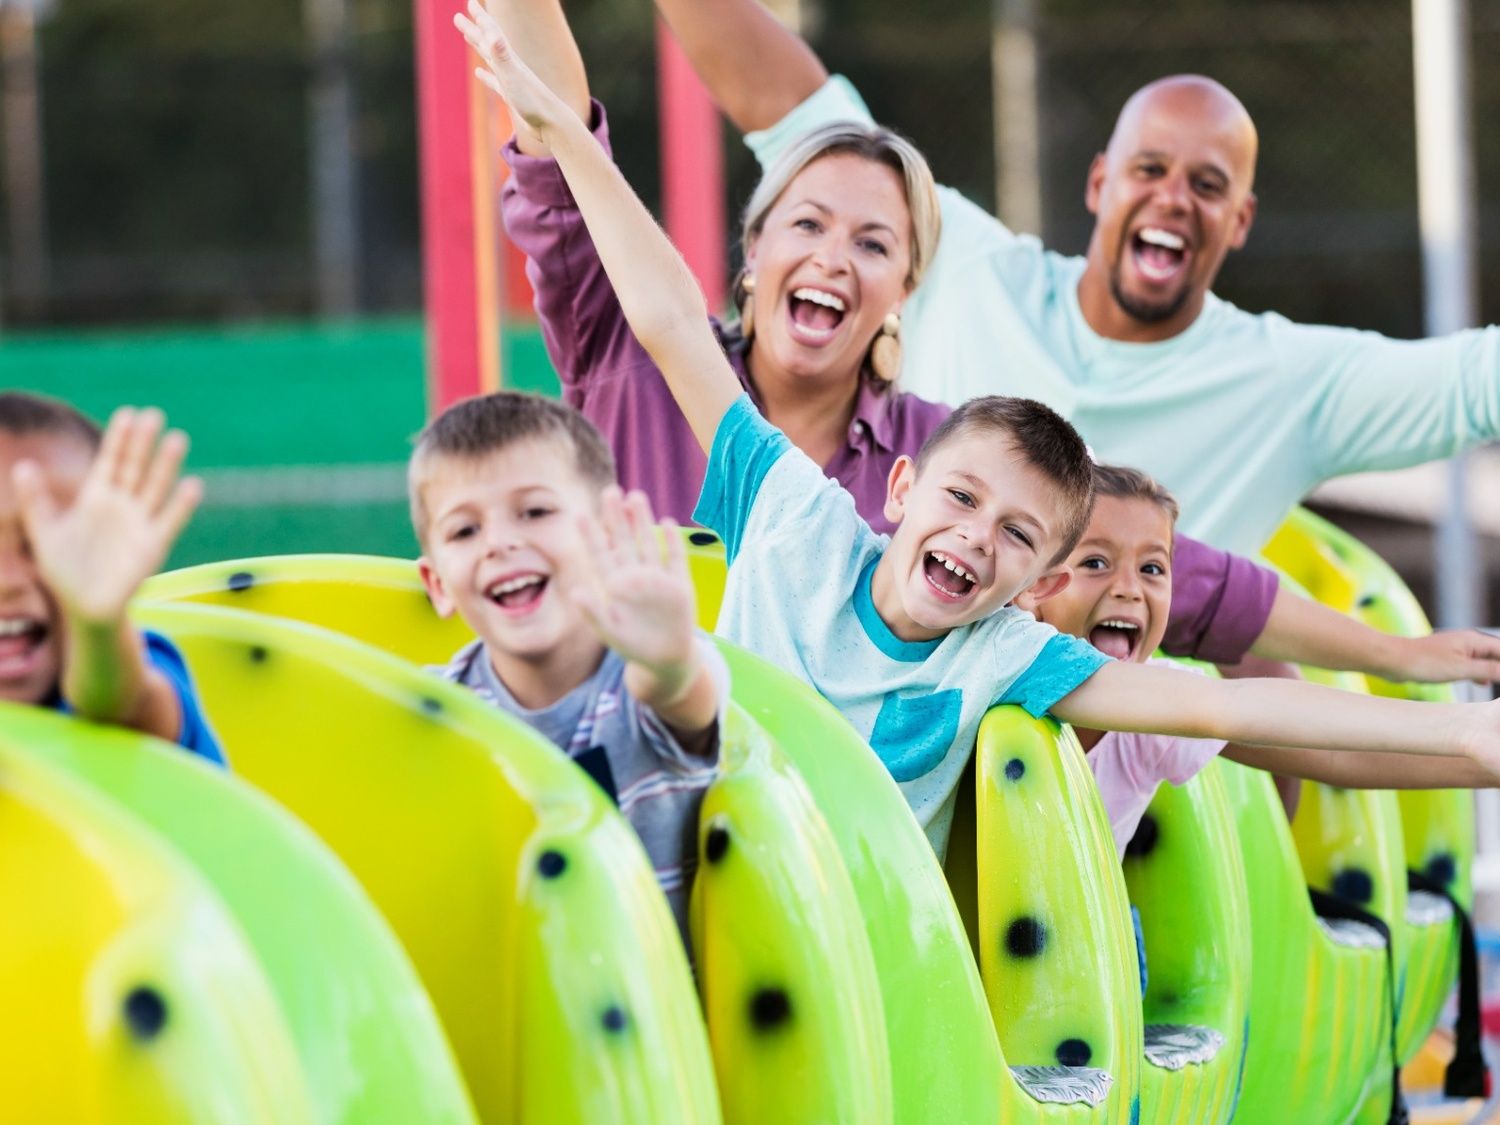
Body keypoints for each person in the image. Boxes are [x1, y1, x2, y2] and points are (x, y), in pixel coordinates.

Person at [456, 9, 1500, 860]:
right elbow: (667, 316)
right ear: (901, 490)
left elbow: (1257, 701)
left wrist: (1460, 725)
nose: (975, 539)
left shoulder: (1003, 652)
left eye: (1015, 537)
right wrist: (552, 129)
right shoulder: (794, 517)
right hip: (669, 846)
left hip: (852, 969)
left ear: (1045, 575)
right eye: (962, 504)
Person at [651, 0, 1500, 560]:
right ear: (1100, 184)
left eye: (1207, 186)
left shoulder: (1292, 380)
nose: (1173, 199)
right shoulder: (968, 263)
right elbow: (794, 110)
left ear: (1240, 220)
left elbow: (1473, 381)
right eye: (1150, 169)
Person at [1019, 463, 1493, 857]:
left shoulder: (1151, 710)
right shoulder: (996, 668)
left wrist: (1478, 747)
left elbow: (1336, 750)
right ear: (1032, 586)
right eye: (1095, 563)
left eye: (1153, 569)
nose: (1130, 588)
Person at [410, 390, 724, 939]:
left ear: (606, 532)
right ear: (437, 583)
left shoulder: (650, 668)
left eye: (535, 512)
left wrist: (670, 662)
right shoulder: (431, 713)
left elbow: (681, 697)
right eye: (465, 530)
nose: (501, 543)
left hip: (659, 1012)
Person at [0, 392, 222, 765]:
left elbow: (116, 701)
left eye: (43, 541)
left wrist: (96, 626)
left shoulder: (134, 668)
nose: (6, 581)